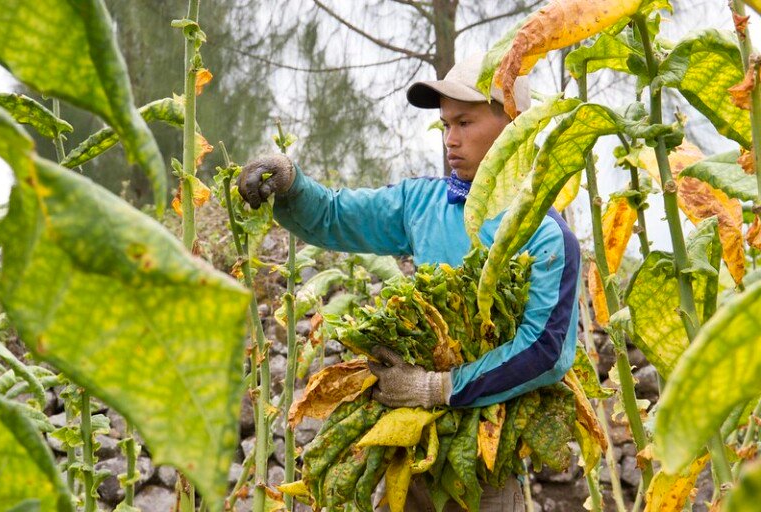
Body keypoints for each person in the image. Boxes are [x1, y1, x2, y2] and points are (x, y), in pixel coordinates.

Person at [238, 52, 580, 512]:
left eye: (465, 123)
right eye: (446, 125)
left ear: (515, 125)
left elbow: (545, 351)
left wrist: (438, 388)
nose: (451, 140)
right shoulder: (424, 203)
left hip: (484, 472)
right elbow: (335, 216)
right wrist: (292, 184)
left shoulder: (545, 233)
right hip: (410, 456)